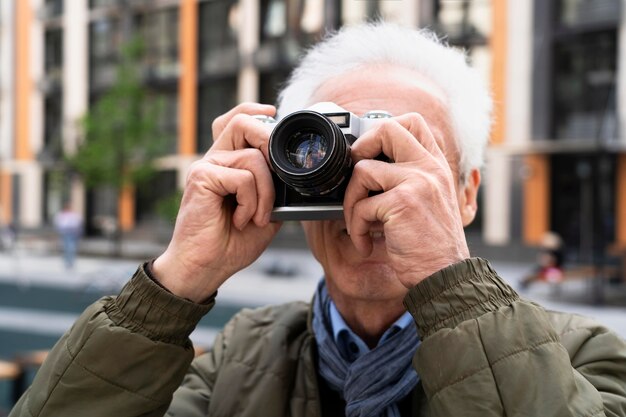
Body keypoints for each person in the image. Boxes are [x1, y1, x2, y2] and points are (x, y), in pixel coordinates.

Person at [10, 23, 626, 417]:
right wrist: (176, 283)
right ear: (282, 171)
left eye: (400, 160)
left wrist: (454, 290)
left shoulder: (583, 357)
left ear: (465, 194)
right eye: (332, 153)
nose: (372, 192)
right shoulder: (239, 359)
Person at [54, 202, 83, 269]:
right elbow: (58, 223)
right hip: (65, 233)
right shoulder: (61, 215)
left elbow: (78, 222)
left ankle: (71, 262)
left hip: (72, 233)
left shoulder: (74, 215)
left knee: (71, 248)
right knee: (66, 248)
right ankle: (67, 262)